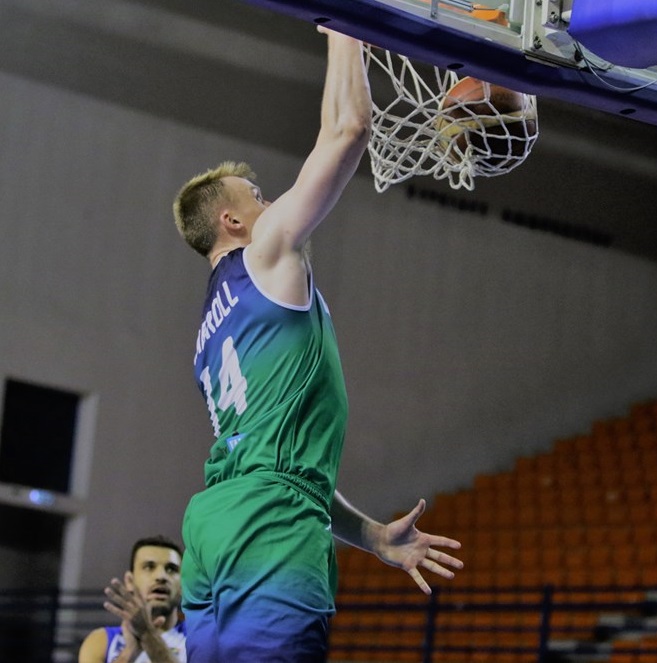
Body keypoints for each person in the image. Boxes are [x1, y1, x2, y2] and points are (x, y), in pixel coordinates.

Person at [171, 26, 463, 663]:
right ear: (233, 220)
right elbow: (348, 131)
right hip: (271, 527)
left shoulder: (206, 334)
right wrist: (345, 25)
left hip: (215, 525)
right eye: (260, 198)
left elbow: (276, 463)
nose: (274, 203)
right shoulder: (266, 250)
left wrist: (370, 536)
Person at [78, 535, 186, 663]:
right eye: (149, 567)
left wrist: (148, 636)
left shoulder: (204, 639)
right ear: (129, 581)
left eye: (171, 569)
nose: (161, 576)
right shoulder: (101, 640)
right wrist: (129, 652)